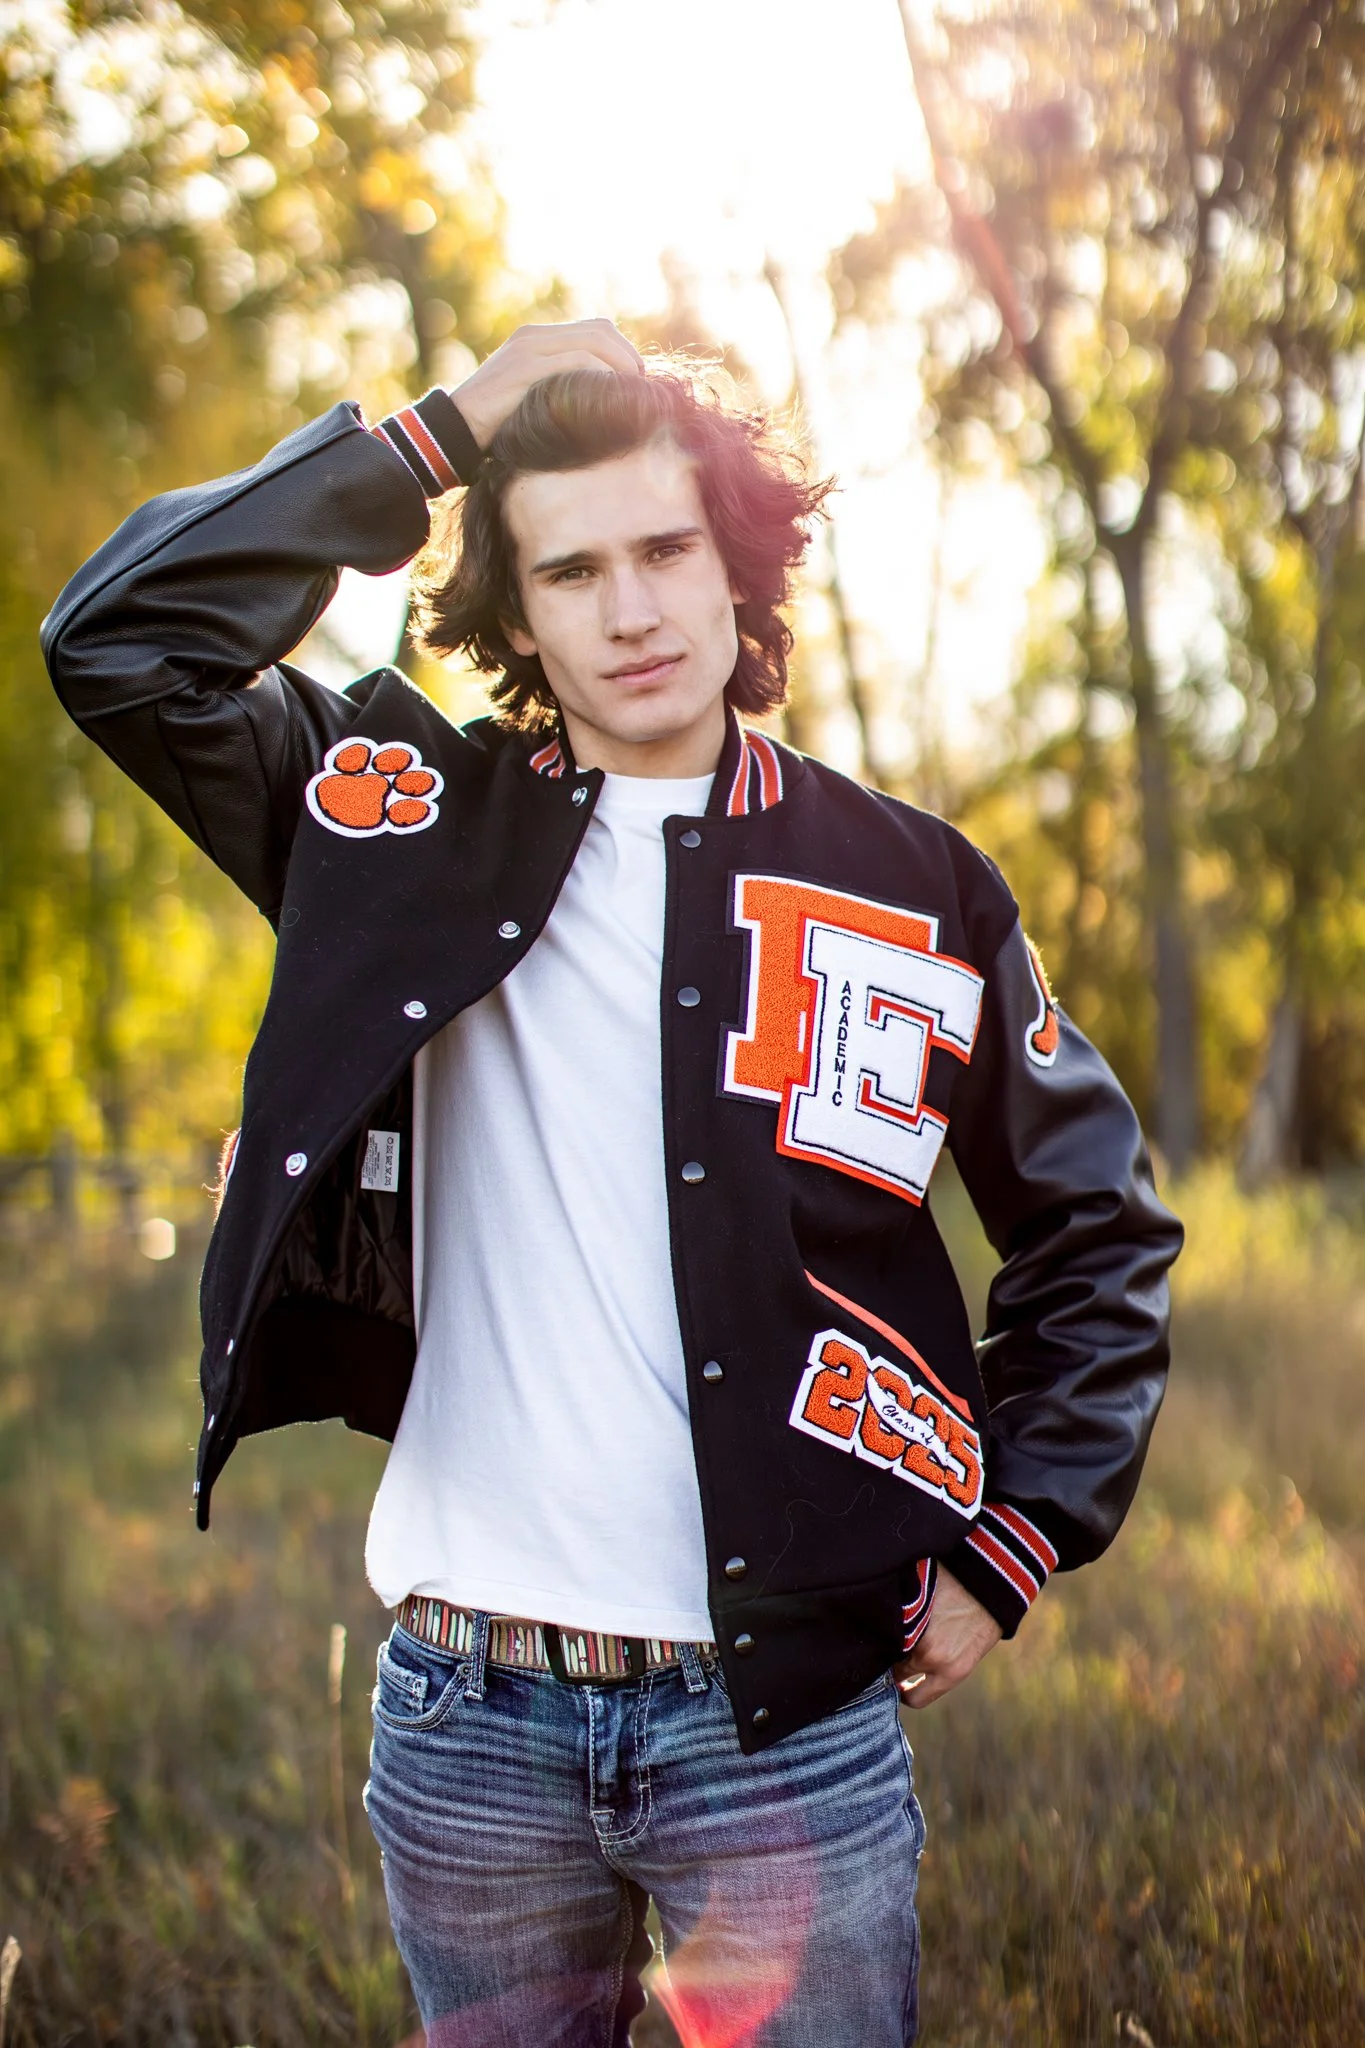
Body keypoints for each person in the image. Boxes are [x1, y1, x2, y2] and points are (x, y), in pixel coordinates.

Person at [43, 318, 1182, 2047]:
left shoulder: (910, 883)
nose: (632, 610)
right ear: (513, 612)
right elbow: (121, 641)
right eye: (570, 571)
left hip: (785, 1731)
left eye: (665, 550)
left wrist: (1015, 1537)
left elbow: (1097, 1226)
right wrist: (447, 429)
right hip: (465, 1720)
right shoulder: (393, 818)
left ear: (738, 563)